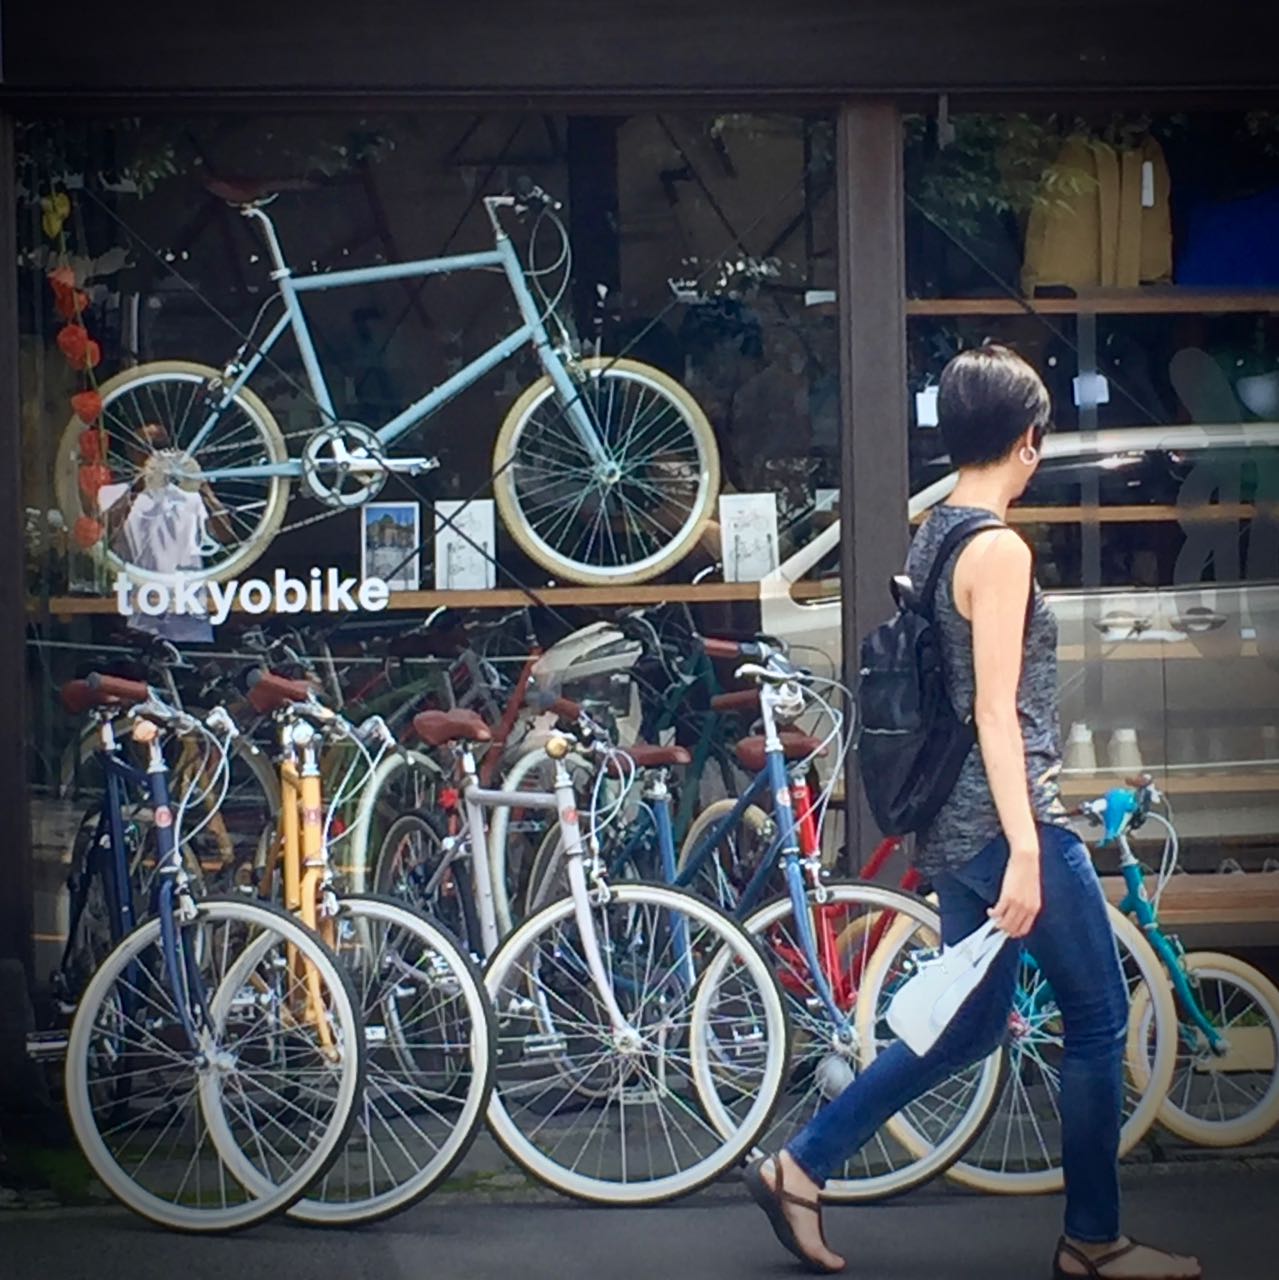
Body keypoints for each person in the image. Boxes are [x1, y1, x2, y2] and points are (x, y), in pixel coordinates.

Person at [743, 345, 1201, 1280]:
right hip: (1002, 825)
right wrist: (1030, 849)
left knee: (971, 1024)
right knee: (1099, 1019)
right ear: (1029, 441)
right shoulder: (996, 549)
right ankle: (1093, 1240)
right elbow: (992, 710)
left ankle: (801, 1165)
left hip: (950, 826)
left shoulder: (936, 531)